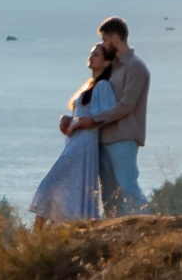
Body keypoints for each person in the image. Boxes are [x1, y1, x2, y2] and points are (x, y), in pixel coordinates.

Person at [59, 16, 149, 214]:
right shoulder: (114, 68)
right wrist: (73, 118)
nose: (103, 44)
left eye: (105, 40)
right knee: (109, 196)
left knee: (128, 186)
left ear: (115, 39)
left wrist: (93, 120)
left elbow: (126, 106)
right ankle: (118, 234)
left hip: (124, 137)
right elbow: (94, 99)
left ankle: (151, 225)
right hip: (104, 138)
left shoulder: (135, 67)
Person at [30, 44, 121, 221]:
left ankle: (37, 234)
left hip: (84, 143)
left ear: (106, 62)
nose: (91, 57)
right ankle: (54, 229)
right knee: (68, 186)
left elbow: (104, 115)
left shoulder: (103, 86)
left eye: (96, 55)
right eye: (91, 53)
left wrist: (78, 124)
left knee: (51, 183)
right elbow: (83, 114)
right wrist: (68, 120)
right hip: (75, 141)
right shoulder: (90, 86)